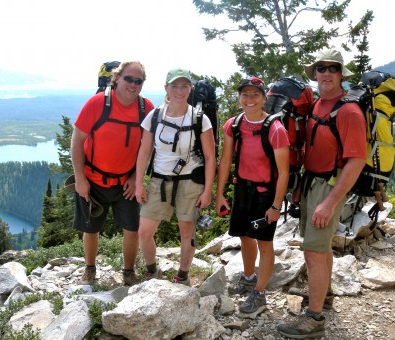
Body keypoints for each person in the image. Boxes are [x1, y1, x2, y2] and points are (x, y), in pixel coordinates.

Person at [277, 49, 366, 338]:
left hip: (329, 187)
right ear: (314, 73)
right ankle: (324, 295)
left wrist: (329, 203)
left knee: (313, 251)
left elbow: (356, 161)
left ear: (341, 74)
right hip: (311, 184)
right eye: (321, 68)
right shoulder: (318, 104)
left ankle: (314, 319)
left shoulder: (349, 111)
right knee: (321, 246)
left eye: (332, 68)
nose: (326, 73)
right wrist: (300, 188)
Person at [71, 61, 155, 286]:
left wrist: (135, 178)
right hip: (93, 179)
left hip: (125, 182)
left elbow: (148, 148)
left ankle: (128, 272)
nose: (133, 84)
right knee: (91, 228)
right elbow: (77, 141)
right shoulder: (97, 103)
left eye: (138, 81)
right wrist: (80, 178)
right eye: (129, 79)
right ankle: (89, 268)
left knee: (132, 229)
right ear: (117, 78)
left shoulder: (146, 108)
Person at [216, 76, 290, 313]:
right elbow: (226, 160)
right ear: (239, 98)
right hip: (242, 189)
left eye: (255, 95)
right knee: (244, 237)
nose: (249, 99)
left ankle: (259, 294)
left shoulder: (276, 129)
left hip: (265, 194)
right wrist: (220, 195)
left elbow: (284, 172)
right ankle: (249, 278)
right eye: (245, 95)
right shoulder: (234, 125)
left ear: (263, 98)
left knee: (265, 243)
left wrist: (276, 206)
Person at [135, 68, 215, 286]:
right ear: (166, 88)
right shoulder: (155, 116)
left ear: (190, 88)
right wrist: (138, 184)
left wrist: (207, 191)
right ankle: (152, 270)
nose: (179, 91)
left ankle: (183, 275)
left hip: (190, 181)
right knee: (144, 231)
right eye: (175, 86)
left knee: (186, 231)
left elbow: (210, 157)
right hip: (159, 180)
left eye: (184, 86)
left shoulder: (200, 119)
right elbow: (144, 151)